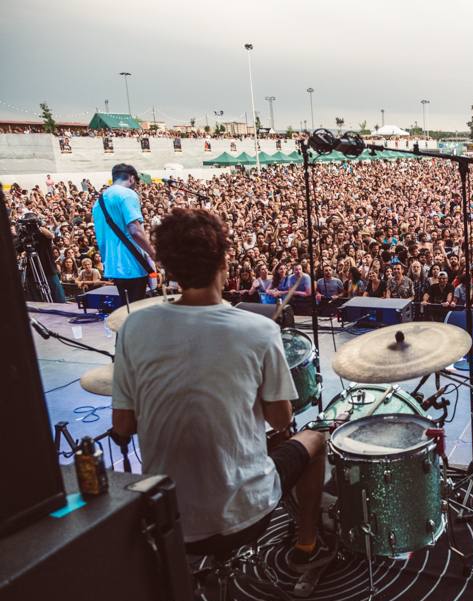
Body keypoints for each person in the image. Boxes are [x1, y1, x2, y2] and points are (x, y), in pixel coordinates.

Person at [110, 207, 331, 571]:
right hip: (244, 513)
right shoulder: (257, 330)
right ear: (223, 261)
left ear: (168, 267)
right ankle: (307, 546)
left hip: (167, 516)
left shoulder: (134, 328)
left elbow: (122, 426)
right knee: (314, 439)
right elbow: (280, 419)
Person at [92, 163, 156, 305]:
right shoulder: (127, 194)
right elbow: (135, 230)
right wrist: (153, 253)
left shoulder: (99, 201)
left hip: (113, 264)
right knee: (137, 309)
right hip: (132, 262)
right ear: (132, 178)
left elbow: (101, 239)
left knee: (126, 307)